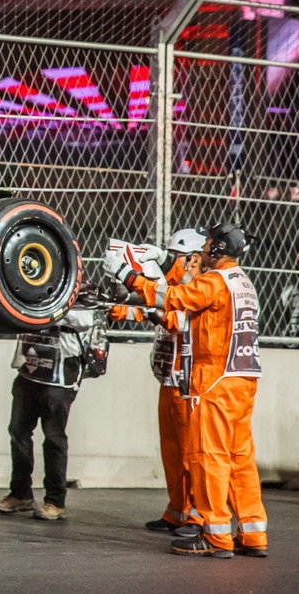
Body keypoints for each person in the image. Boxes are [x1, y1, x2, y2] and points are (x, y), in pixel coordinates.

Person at [108, 223, 269, 560]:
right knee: (240, 459)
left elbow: (175, 298)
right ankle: (253, 535)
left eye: (209, 245)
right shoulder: (241, 282)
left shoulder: (213, 281)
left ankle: (216, 536)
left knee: (208, 458)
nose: (204, 250)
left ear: (219, 249)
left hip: (215, 381)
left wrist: (129, 276)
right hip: (243, 380)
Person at [108, 229, 207, 536]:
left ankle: (196, 516)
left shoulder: (197, 289)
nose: (168, 262)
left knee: (191, 454)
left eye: (175, 256)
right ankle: (176, 510)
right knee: (171, 452)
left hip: (187, 384)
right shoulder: (172, 287)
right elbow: (150, 308)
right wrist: (117, 306)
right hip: (168, 381)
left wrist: (149, 308)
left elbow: (176, 321)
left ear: (192, 259)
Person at [0, 306, 97, 522]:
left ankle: (55, 501)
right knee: (18, 432)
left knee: (54, 437)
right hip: (30, 368)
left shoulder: (75, 288)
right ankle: (20, 494)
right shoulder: (28, 289)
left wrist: (49, 306)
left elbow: (85, 319)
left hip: (61, 376)